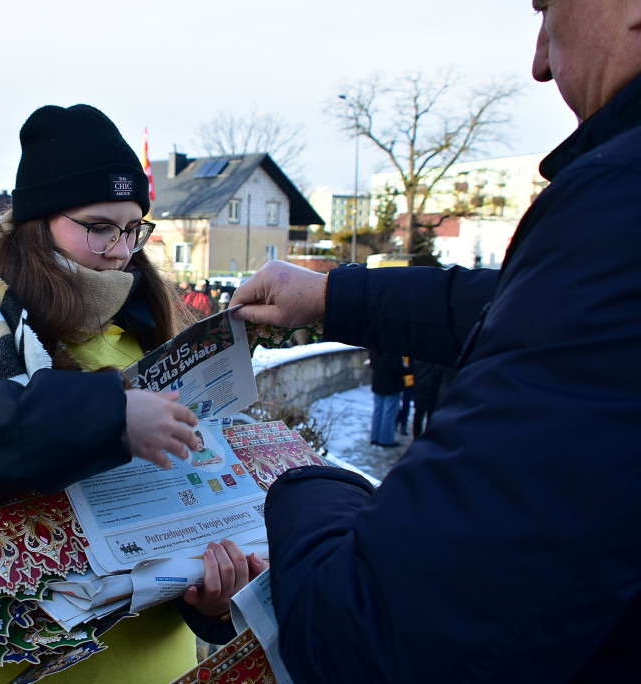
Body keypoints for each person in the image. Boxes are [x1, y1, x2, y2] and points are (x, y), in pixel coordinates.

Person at [229, 2, 641, 679]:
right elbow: (515, 306)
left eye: (548, 9)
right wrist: (334, 296)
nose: (539, 61)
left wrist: (299, 480)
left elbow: (369, 631)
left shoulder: (620, 206)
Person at [0, 104, 266, 682]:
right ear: (37, 222)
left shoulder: (147, 330)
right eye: (98, 226)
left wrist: (219, 604)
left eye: (133, 228)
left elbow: (188, 511)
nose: (121, 250)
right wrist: (106, 417)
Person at [367, 349, 406, 448]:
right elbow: (398, 368)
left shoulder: (375, 349)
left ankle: (375, 437)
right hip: (392, 385)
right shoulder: (393, 349)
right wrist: (409, 370)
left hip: (378, 382)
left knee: (378, 411)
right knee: (389, 413)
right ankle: (386, 439)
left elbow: (373, 364)